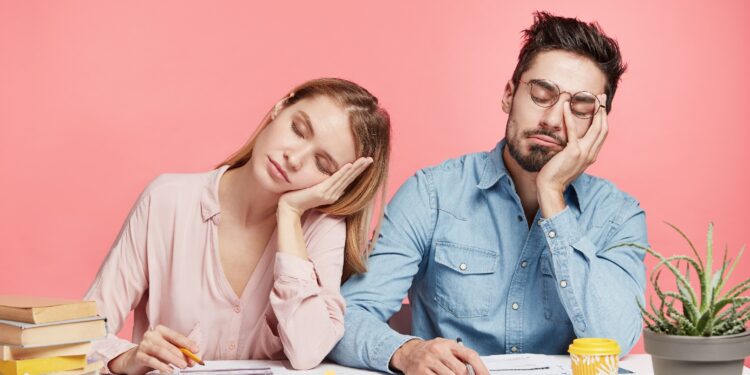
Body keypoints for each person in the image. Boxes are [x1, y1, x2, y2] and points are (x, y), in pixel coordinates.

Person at [329, 12, 647, 374]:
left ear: (598, 126)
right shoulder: (432, 194)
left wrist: (553, 195)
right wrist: (406, 351)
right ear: (509, 94)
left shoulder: (620, 215)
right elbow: (347, 316)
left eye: (580, 106)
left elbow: (616, 338)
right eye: (542, 94)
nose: (554, 120)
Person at [84, 78, 391, 374]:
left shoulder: (322, 229)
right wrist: (125, 359)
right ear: (280, 107)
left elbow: (308, 350)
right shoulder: (166, 201)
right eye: (298, 129)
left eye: (323, 164)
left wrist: (290, 213)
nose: (294, 158)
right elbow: (78, 335)